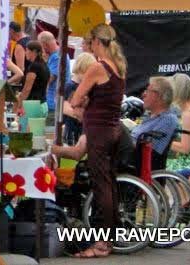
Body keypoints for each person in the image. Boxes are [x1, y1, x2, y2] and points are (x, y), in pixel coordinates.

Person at [64, 23, 126, 258]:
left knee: (101, 186)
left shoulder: (97, 68)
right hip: (113, 129)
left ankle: (103, 242)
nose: (87, 48)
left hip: (98, 132)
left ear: (97, 43)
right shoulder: (118, 67)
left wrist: (83, 101)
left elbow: (76, 99)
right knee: (109, 183)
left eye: (89, 43)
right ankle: (112, 235)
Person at [62, 53, 96, 146]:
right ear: (81, 69)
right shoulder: (70, 86)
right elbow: (65, 108)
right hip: (71, 129)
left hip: (83, 129)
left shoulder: (87, 86)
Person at [38, 31, 67, 113]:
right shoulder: (56, 55)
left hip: (53, 102)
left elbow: (49, 78)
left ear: (45, 45)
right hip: (52, 100)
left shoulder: (57, 57)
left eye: (41, 46)